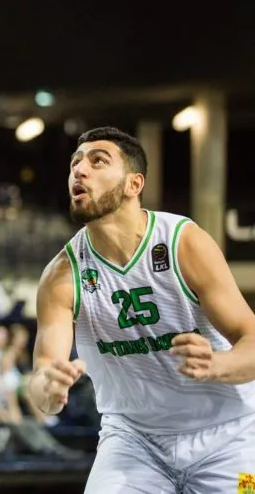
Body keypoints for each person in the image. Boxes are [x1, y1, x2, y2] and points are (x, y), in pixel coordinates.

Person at [26, 126, 255, 494]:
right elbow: (42, 378)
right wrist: (47, 390)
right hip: (134, 441)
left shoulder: (183, 242)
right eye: (75, 163)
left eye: (98, 161)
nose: (79, 171)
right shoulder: (60, 276)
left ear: (134, 184)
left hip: (229, 436)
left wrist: (218, 364)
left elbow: (252, 341)